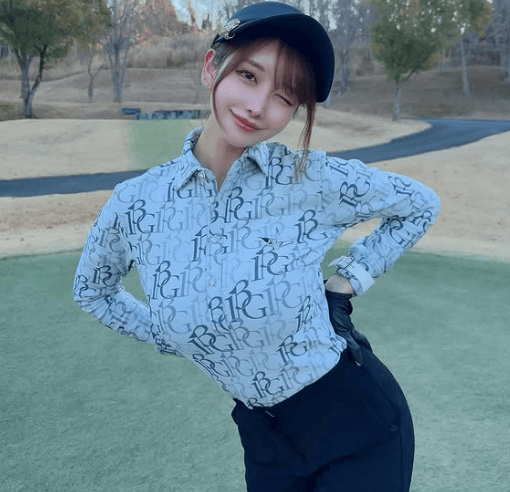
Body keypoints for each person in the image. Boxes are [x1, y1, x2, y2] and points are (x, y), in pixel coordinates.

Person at [73, 2, 440, 491]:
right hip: (264, 441)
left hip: (358, 420)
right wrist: (166, 331)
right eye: (248, 76)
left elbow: (420, 204)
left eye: (285, 96)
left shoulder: (307, 178)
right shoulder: (136, 204)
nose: (258, 106)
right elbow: (92, 291)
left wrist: (347, 281)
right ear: (211, 68)